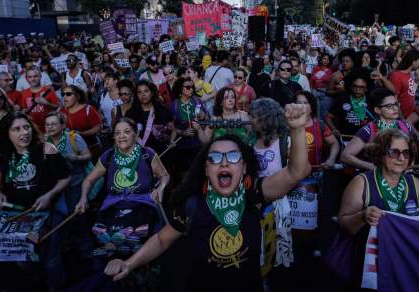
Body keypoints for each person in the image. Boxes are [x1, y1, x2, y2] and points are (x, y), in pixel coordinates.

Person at [102, 104, 312, 292]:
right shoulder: (191, 203)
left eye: (232, 157)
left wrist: (297, 128)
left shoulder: (254, 193)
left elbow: (296, 172)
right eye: (214, 158)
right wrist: (129, 263)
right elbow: (161, 239)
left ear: (244, 166)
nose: (224, 163)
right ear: (206, 168)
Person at [0, 112, 71, 291]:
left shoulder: (46, 149)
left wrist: (49, 195)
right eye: (16, 129)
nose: (24, 132)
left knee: (51, 260)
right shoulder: (2, 155)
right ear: (7, 133)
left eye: (26, 127)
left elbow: (65, 178)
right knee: (22, 260)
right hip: (19, 215)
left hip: (49, 213)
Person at [337, 128, 419, 236]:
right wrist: (362, 216)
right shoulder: (361, 183)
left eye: (406, 153)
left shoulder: (414, 183)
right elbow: (343, 225)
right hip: (367, 259)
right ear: (380, 153)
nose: (401, 158)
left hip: (401, 258)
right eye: (394, 152)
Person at [75, 118, 169, 269]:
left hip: (142, 204)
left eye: (126, 132)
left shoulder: (147, 154)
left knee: (139, 240)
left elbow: (164, 176)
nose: (121, 136)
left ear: (135, 134)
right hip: (113, 206)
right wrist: (83, 198)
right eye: (117, 133)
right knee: (106, 242)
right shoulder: (109, 156)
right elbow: (89, 180)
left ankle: (140, 267)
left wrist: (160, 189)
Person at [341, 88, 416, 171]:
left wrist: (409, 167)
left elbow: (411, 152)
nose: (395, 108)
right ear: (377, 110)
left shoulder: (406, 127)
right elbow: (345, 156)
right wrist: (371, 167)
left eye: (396, 104)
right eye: (389, 106)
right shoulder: (368, 130)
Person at [125, 80, 173, 156]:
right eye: (139, 92)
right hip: (139, 155)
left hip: (162, 154)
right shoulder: (130, 113)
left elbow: (172, 129)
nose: (143, 94)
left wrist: (171, 140)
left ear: (152, 93)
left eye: (146, 91)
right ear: (136, 95)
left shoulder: (163, 110)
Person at [327, 70, 374, 144]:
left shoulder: (371, 101)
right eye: (355, 86)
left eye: (361, 87)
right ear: (351, 86)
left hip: (367, 141)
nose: (358, 89)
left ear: (366, 88)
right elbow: (327, 117)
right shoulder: (342, 100)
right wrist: (334, 129)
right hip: (346, 140)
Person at [61, 85, 103, 159]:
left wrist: (81, 134)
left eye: (68, 94)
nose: (65, 97)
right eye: (63, 94)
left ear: (78, 96)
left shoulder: (88, 109)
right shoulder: (62, 111)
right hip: (72, 151)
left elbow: (98, 127)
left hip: (92, 148)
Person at [20, 68, 59, 133]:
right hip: (33, 128)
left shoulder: (49, 91)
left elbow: (58, 108)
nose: (33, 79)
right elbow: (24, 108)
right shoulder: (24, 93)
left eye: (35, 76)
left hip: (49, 128)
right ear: (26, 79)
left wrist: (46, 103)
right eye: (30, 77)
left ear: (40, 77)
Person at [388, 49, 419, 118]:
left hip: (408, 116)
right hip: (399, 118)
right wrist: (401, 118)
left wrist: (417, 79)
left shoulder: (410, 74)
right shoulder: (397, 76)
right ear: (413, 62)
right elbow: (394, 99)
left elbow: (412, 92)